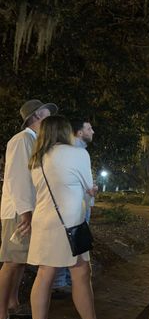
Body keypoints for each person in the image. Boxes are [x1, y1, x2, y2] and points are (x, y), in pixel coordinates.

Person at [27, 115, 119, 319]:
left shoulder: (36, 158)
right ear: (64, 132)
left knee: (43, 277)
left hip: (43, 223)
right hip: (69, 225)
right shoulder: (78, 154)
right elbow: (88, 192)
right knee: (80, 273)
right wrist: (92, 191)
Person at [0, 100, 58, 319]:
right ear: (36, 116)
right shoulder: (22, 140)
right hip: (19, 212)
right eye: (47, 114)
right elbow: (17, 178)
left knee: (20, 261)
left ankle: (13, 305)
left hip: (26, 210)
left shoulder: (34, 141)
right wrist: (26, 212)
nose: (50, 118)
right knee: (11, 262)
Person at [52, 119, 95, 295]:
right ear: (79, 132)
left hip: (79, 204)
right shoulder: (76, 151)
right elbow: (86, 185)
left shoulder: (78, 150)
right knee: (70, 242)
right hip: (74, 206)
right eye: (89, 128)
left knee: (74, 243)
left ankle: (66, 281)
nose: (92, 131)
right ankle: (61, 283)